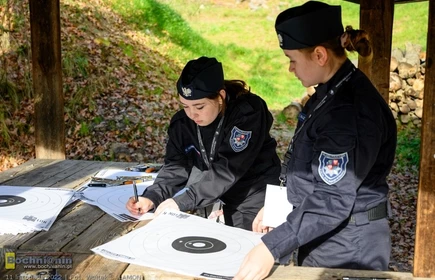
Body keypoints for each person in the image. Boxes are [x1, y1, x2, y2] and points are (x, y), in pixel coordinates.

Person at [234, 1, 397, 279]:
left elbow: (332, 197)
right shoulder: (330, 92)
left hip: (348, 247)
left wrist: (271, 248)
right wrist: (278, 208)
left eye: (292, 59)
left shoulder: (348, 111)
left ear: (320, 55)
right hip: (325, 232)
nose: (290, 69)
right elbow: (309, 170)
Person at [126, 56, 281, 230]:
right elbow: (176, 166)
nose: (192, 114)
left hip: (255, 195)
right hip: (215, 194)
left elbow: (227, 169)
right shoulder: (182, 124)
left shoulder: (247, 114)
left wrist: (184, 200)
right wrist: (153, 196)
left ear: (220, 96)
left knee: (247, 251)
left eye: (199, 107)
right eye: (185, 106)